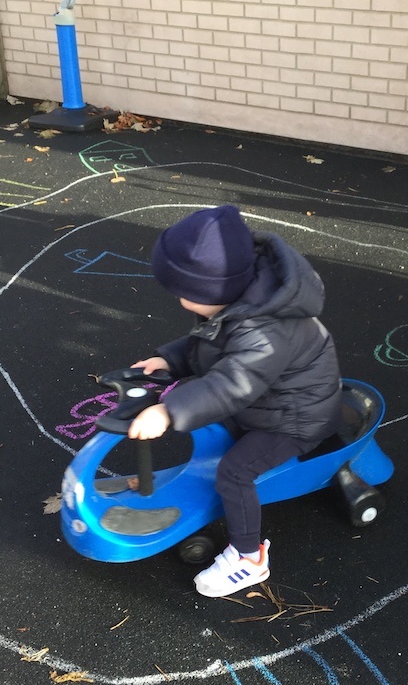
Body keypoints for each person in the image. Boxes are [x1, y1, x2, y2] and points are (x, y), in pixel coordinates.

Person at [127, 205, 342, 598]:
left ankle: (249, 557)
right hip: (271, 401)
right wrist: (171, 360)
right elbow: (211, 345)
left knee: (234, 472)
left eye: (183, 293)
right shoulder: (240, 302)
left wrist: (169, 410)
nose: (179, 300)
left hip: (293, 420)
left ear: (213, 292)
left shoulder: (264, 332)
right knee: (211, 429)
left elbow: (233, 383)